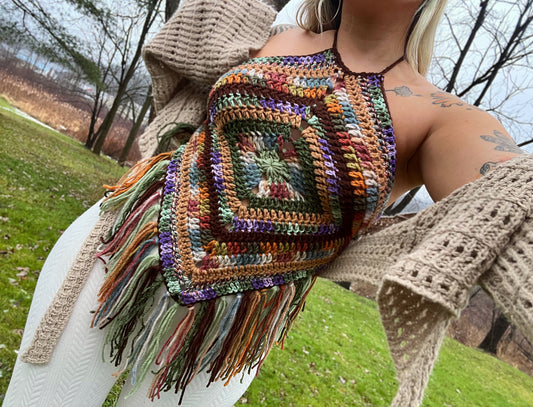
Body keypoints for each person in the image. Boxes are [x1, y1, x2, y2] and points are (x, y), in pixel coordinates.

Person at [5, 0, 532, 406]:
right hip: (118, 252)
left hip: (233, 323)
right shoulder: (263, 34)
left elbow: (513, 199)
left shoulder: (446, 119)